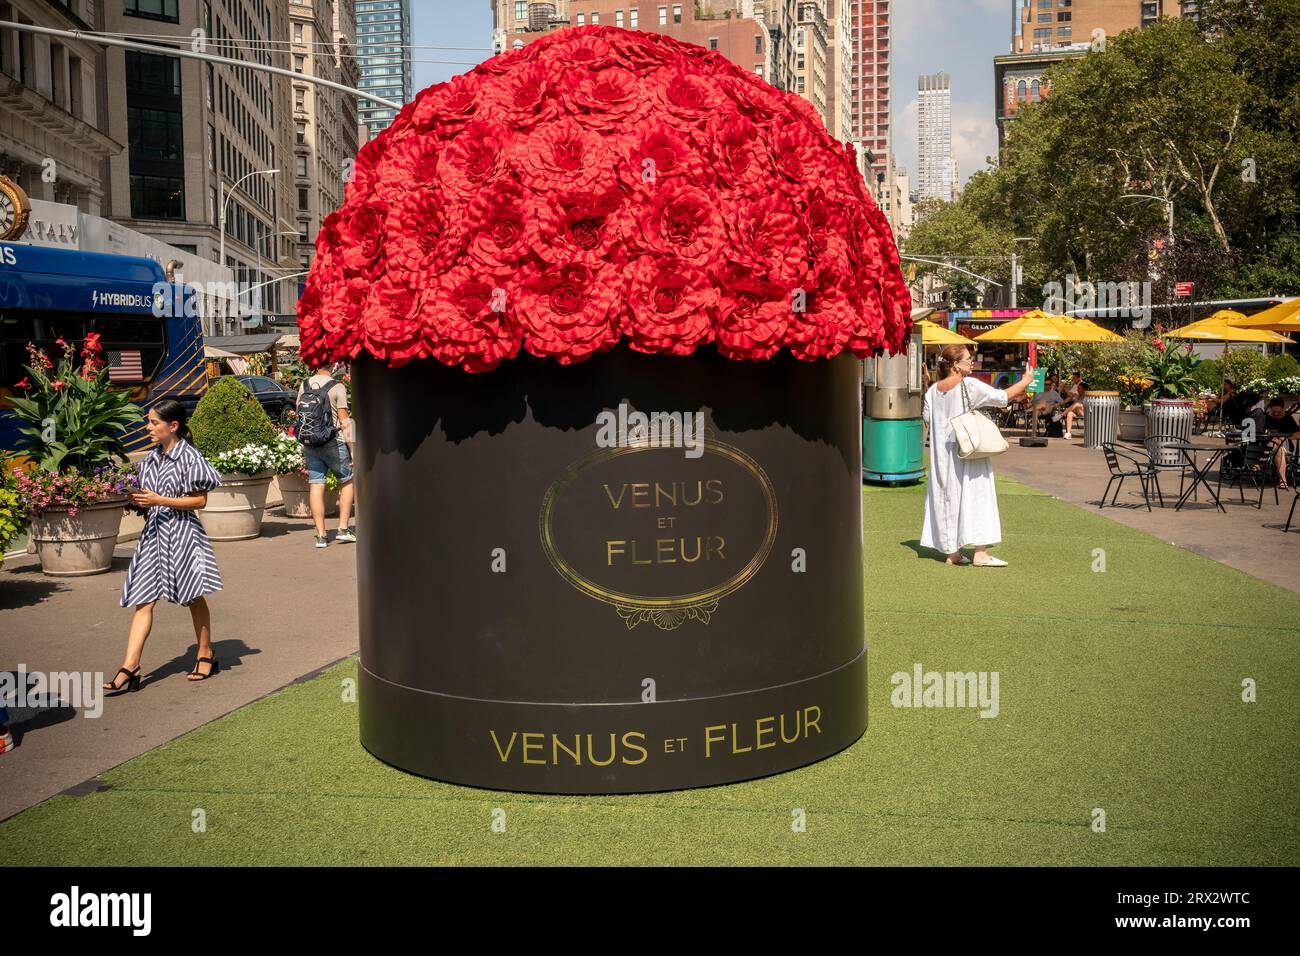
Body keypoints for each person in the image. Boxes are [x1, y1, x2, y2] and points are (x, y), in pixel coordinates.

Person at [105, 400, 225, 694]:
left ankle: (205, 653)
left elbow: (200, 501)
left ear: (173, 426)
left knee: (194, 597)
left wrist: (160, 500)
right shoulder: (151, 459)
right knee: (143, 599)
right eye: (149, 422)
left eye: (153, 423)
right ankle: (130, 666)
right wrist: (137, 499)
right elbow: (152, 497)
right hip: (154, 535)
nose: (148, 427)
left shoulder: (191, 458)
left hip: (183, 534)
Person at [921, 344, 1035, 567]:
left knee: (947, 499)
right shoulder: (969, 385)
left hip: (942, 457)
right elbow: (1002, 398)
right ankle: (980, 553)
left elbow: (928, 418)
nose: (971, 362)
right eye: (967, 359)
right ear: (955, 365)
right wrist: (1026, 381)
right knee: (979, 494)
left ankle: (952, 552)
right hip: (969, 451)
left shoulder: (933, 391)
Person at [297, 363, 356, 549]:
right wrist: (353, 450)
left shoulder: (305, 385)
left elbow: (300, 414)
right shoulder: (337, 386)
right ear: (333, 365)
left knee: (316, 485)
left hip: (311, 442)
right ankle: (343, 529)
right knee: (347, 481)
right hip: (333, 442)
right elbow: (345, 422)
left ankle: (321, 536)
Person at [1264, 397, 1300, 489]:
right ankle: (1283, 480)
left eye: (1279, 413)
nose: (1276, 414)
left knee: (1279, 447)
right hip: (1268, 445)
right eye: (1274, 412)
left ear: (1283, 409)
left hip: (1285, 444)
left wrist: (1287, 437)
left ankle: (1282, 480)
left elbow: (1297, 433)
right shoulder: (1265, 418)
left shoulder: (1288, 417)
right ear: (1270, 409)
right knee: (1277, 444)